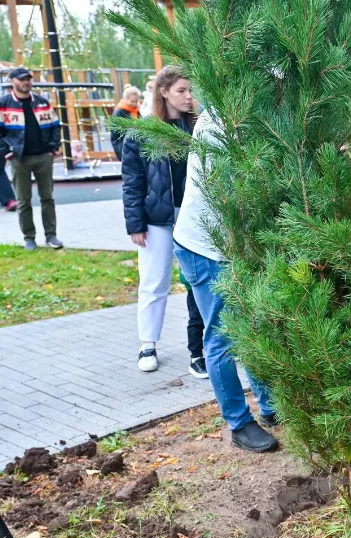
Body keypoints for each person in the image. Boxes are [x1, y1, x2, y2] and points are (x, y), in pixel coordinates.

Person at [174, 108, 279, 452]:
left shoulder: (249, 110)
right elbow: (236, 192)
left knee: (253, 324)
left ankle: (270, 405)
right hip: (207, 247)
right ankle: (238, 423)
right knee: (222, 334)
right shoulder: (222, 120)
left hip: (236, 245)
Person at [122, 65, 206, 378]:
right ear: (163, 91)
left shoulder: (197, 128)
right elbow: (132, 180)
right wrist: (135, 223)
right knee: (154, 282)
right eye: (181, 90)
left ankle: (201, 349)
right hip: (156, 221)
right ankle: (148, 344)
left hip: (192, 218)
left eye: (191, 90)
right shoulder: (143, 131)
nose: (188, 96)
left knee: (197, 283)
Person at [0, 67, 63, 250]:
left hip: (43, 157)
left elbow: (55, 125)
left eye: (28, 79)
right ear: (12, 81)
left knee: (47, 198)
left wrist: (53, 148)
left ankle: (51, 235)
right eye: (21, 79)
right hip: (19, 159)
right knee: (23, 200)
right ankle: (29, 237)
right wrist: (8, 153)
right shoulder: (4, 104)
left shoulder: (42, 102)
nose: (26, 82)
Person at [111, 85, 141, 161]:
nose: (134, 104)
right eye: (132, 101)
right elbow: (115, 130)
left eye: (136, 101)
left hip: (134, 142)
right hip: (122, 143)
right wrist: (131, 128)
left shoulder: (136, 111)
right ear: (125, 99)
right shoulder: (119, 111)